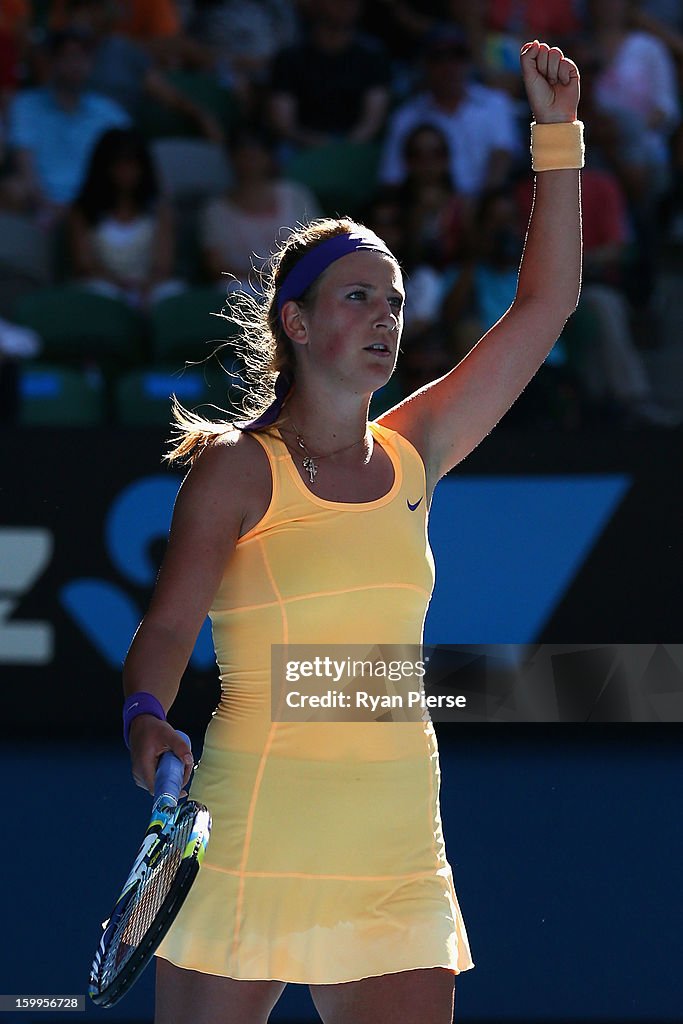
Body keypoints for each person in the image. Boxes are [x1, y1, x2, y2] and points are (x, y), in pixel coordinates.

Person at [123, 39, 582, 1024]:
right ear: (294, 322)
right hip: (251, 824)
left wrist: (556, 137)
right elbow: (164, 629)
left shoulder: (417, 448)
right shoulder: (237, 471)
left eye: (395, 301)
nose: (386, 316)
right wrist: (145, 713)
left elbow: (544, 306)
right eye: (357, 296)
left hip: (392, 840)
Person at [68, 127, 183, 308]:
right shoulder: (82, 211)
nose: (125, 172)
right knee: (94, 291)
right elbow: (86, 265)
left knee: (173, 292)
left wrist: (145, 288)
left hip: (149, 288)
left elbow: (163, 265)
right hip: (104, 287)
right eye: (118, 164)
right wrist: (120, 286)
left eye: (131, 164)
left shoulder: (160, 211)